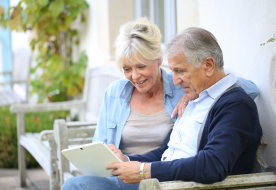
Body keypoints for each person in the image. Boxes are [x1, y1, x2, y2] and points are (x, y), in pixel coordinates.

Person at [61, 26, 262, 189]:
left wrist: (144, 171)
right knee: (76, 185)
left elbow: (212, 165)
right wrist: (128, 160)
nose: (174, 81)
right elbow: (165, 151)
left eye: (180, 71)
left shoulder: (234, 105)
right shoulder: (195, 99)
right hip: (158, 181)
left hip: (179, 185)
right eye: (173, 71)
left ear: (208, 66)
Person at [92, 18, 259, 156]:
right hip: (127, 172)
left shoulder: (183, 86)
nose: (134, 76)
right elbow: (100, 145)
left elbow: (251, 89)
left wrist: (200, 91)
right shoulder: (115, 93)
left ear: (159, 60)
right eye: (127, 69)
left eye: (141, 67)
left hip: (162, 174)